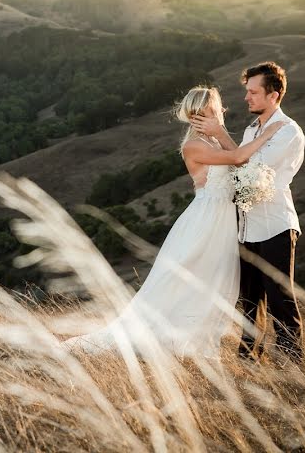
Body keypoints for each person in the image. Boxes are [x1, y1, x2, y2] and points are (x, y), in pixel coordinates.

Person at [62, 86, 285, 357]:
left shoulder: (214, 141)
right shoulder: (194, 146)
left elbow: (241, 165)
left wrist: (220, 133)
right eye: (215, 109)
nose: (222, 112)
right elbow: (240, 157)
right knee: (187, 281)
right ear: (202, 114)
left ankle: (198, 346)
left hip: (223, 222)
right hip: (206, 221)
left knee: (217, 282)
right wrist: (272, 131)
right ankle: (165, 342)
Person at [191, 61, 305, 361]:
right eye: (247, 92)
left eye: (254, 92)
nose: (247, 98)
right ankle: (247, 357)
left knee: (279, 295)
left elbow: (250, 167)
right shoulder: (253, 128)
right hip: (246, 225)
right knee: (250, 299)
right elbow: (235, 166)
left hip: (275, 224)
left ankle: (290, 358)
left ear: (274, 95)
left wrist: (220, 133)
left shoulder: (287, 131)